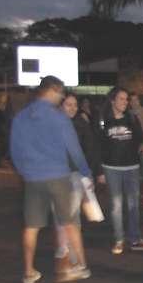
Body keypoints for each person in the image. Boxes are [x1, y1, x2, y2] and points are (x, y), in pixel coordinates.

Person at [9, 76, 92, 283]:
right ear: (52, 91)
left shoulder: (21, 117)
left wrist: (25, 172)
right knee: (70, 222)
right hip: (58, 176)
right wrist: (86, 172)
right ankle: (80, 266)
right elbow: (74, 149)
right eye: (61, 93)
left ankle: (29, 272)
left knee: (31, 226)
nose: (61, 98)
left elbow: (14, 150)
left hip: (33, 178)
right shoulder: (59, 118)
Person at [97, 87, 143, 255]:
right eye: (121, 99)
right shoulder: (104, 120)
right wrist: (99, 170)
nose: (125, 102)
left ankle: (135, 238)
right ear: (112, 100)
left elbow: (140, 138)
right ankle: (119, 239)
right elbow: (98, 145)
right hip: (111, 168)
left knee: (133, 204)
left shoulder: (131, 118)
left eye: (126, 99)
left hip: (132, 167)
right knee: (116, 205)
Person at [53, 92, 101, 268]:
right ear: (60, 106)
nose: (73, 108)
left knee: (73, 217)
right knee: (60, 214)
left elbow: (90, 150)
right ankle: (63, 245)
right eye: (68, 104)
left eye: (75, 104)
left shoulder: (81, 124)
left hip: (75, 175)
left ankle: (75, 257)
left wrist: (90, 174)